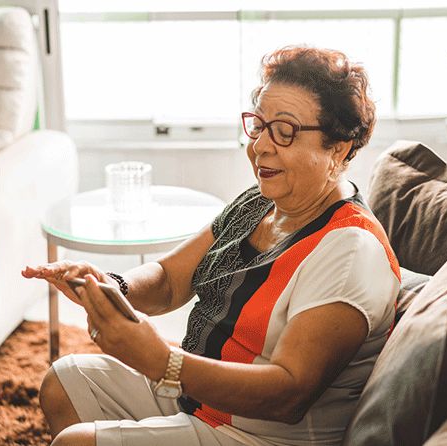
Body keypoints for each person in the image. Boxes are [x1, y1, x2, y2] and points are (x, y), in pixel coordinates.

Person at [22, 46, 400, 446]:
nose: (261, 146)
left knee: (74, 443)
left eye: (284, 131)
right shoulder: (260, 202)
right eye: (259, 125)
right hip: (202, 397)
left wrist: (163, 362)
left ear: (337, 149)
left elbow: (289, 395)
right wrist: (113, 287)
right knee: (64, 380)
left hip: (263, 433)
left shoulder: (349, 252)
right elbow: (170, 280)